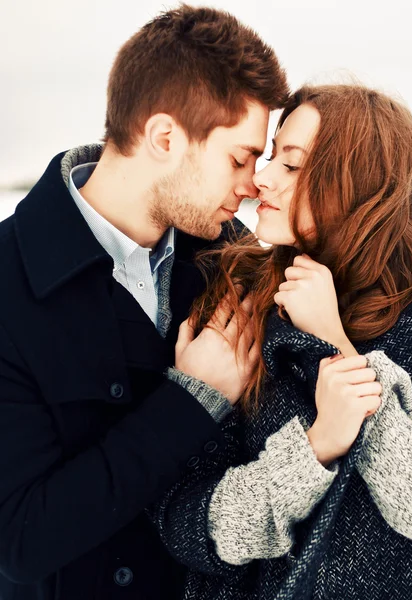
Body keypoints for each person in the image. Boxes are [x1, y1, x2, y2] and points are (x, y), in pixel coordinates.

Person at [150, 85, 412, 600]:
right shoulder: (237, 297)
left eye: (292, 165)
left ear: (356, 184)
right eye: (272, 156)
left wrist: (337, 345)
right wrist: (313, 451)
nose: (261, 178)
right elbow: (186, 523)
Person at [0, 6, 289, 600]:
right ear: (164, 138)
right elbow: (19, 540)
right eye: (239, 158)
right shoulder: (8, 282)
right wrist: (191, 401)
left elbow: (343, 320)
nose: (252, 184)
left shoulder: (229, 260)